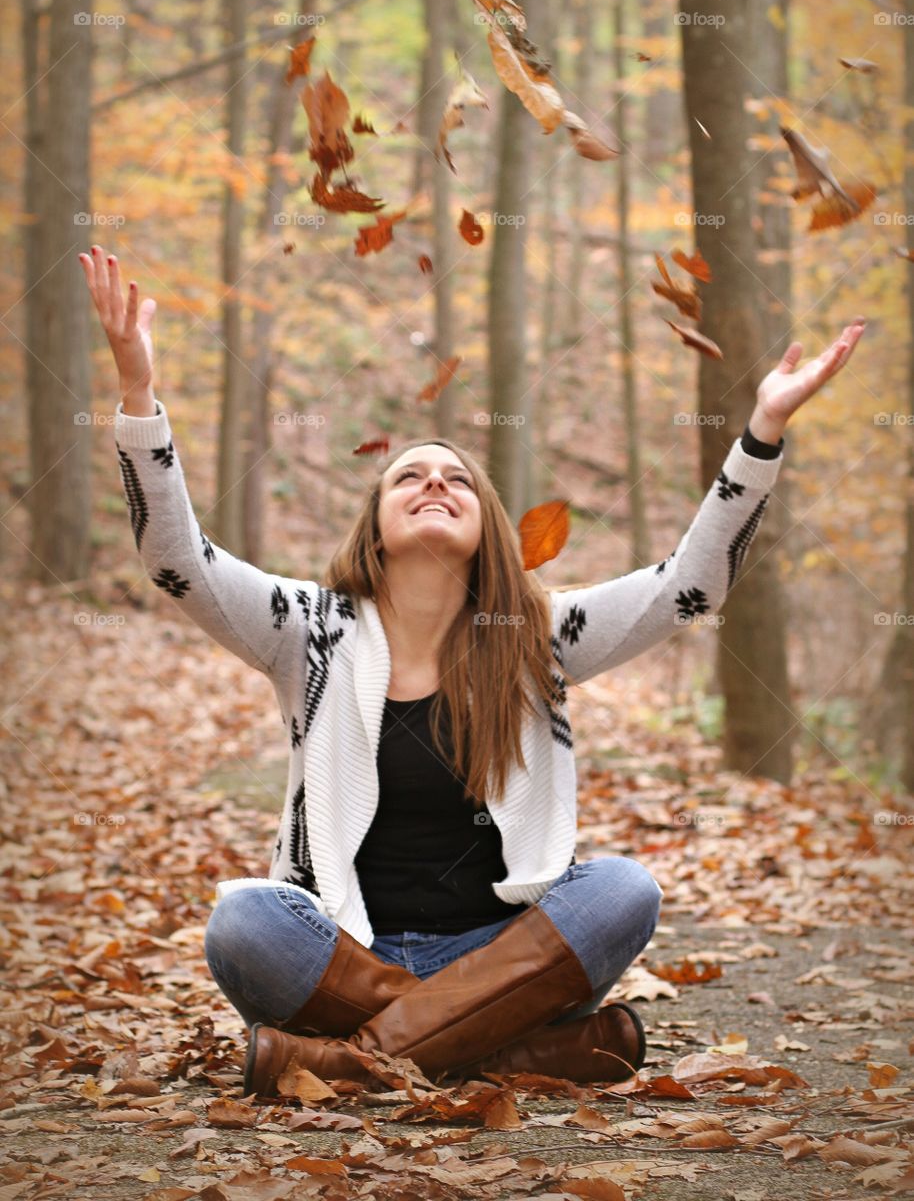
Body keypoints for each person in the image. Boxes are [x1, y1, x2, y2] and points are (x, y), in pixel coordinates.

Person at [79, 244, 866, 1094]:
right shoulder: (306, 630)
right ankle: (501, 1049)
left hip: (505, 951)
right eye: (408, 476)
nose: (434, 484)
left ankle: (360, 1061)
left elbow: (688, 587)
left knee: (622, 889)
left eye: (457, 478)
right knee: (244, 922)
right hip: (351, 949)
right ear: (375, 527)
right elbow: (179, 565)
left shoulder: (537, 634)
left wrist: (764, 434)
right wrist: (136, 392)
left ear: (485, 523)